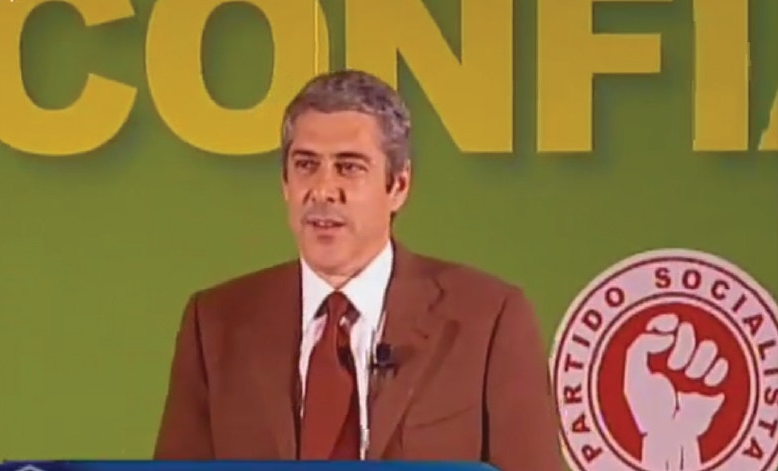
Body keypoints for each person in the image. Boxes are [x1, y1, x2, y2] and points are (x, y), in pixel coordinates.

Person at [154, 70, 563, 470]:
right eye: (306, 165)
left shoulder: (486, 319)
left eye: (349, 167)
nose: (322, 190)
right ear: (285, 184)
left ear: (398, 186)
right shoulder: (215, 323)